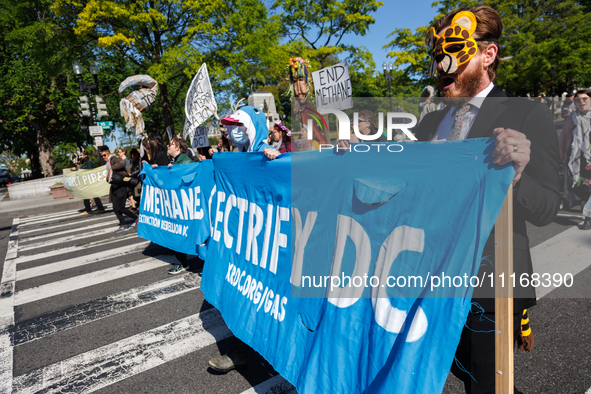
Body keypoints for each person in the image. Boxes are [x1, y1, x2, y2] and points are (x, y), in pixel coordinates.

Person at [417, 6, 560, 393]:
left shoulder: (527, 114)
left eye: (452, 52)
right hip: (428, 281)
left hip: (488, 289)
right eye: (436, 55)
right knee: (446, 375)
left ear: (487, 54)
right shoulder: (431, 122)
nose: (441, 65)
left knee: (488, 386)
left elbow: (548, 206)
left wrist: (516, 176)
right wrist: (341, 151)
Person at [208, 106, 280, 373]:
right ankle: (246, 345)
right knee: (243, 292)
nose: (229, 130)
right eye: (228, 125)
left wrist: (275, 159)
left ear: (251, 126)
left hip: (266, 243)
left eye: (235, 125)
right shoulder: (236, 156)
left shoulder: (265, 153)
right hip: (242, 241)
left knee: (262, 295)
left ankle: (247, 350)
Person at [558, 90, 591, 230]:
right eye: (578, 100)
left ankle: (588, 217)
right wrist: (559, 157)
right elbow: (564, 138)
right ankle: (585, 201)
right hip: (576, 160)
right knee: (578, 186)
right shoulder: (572, 118)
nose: (581, 102)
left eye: (585, 99)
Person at [102, 146, 139, 233]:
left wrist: (112, 168)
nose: (103, 157)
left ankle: (137, 218)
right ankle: (123, 224)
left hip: (120, 187)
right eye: (101, 156)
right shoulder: (108, 162)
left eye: (104, 155)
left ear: (108, 154)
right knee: (115, 208)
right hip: (115, 187)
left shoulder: (113, 158)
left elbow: (122, 163)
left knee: (121, 207)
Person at [72, 150, 105, 215]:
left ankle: (91, 209)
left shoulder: (89, 162)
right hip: (86, 182)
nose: (80, 157)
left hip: (89, 182)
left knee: (90, 196)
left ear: (86, 155)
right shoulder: (83, 163)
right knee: (90, 196)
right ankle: (98, 208)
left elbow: (89, 171)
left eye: (82, 156)